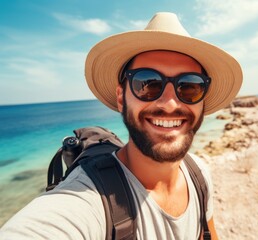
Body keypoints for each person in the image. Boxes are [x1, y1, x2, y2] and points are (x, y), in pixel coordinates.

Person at [0, 12, 243, 239]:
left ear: (202, 101)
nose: (169, 104)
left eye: (190, 86)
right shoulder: (86, 201)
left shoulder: (199, 175)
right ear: (120, 97)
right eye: (147, 83)